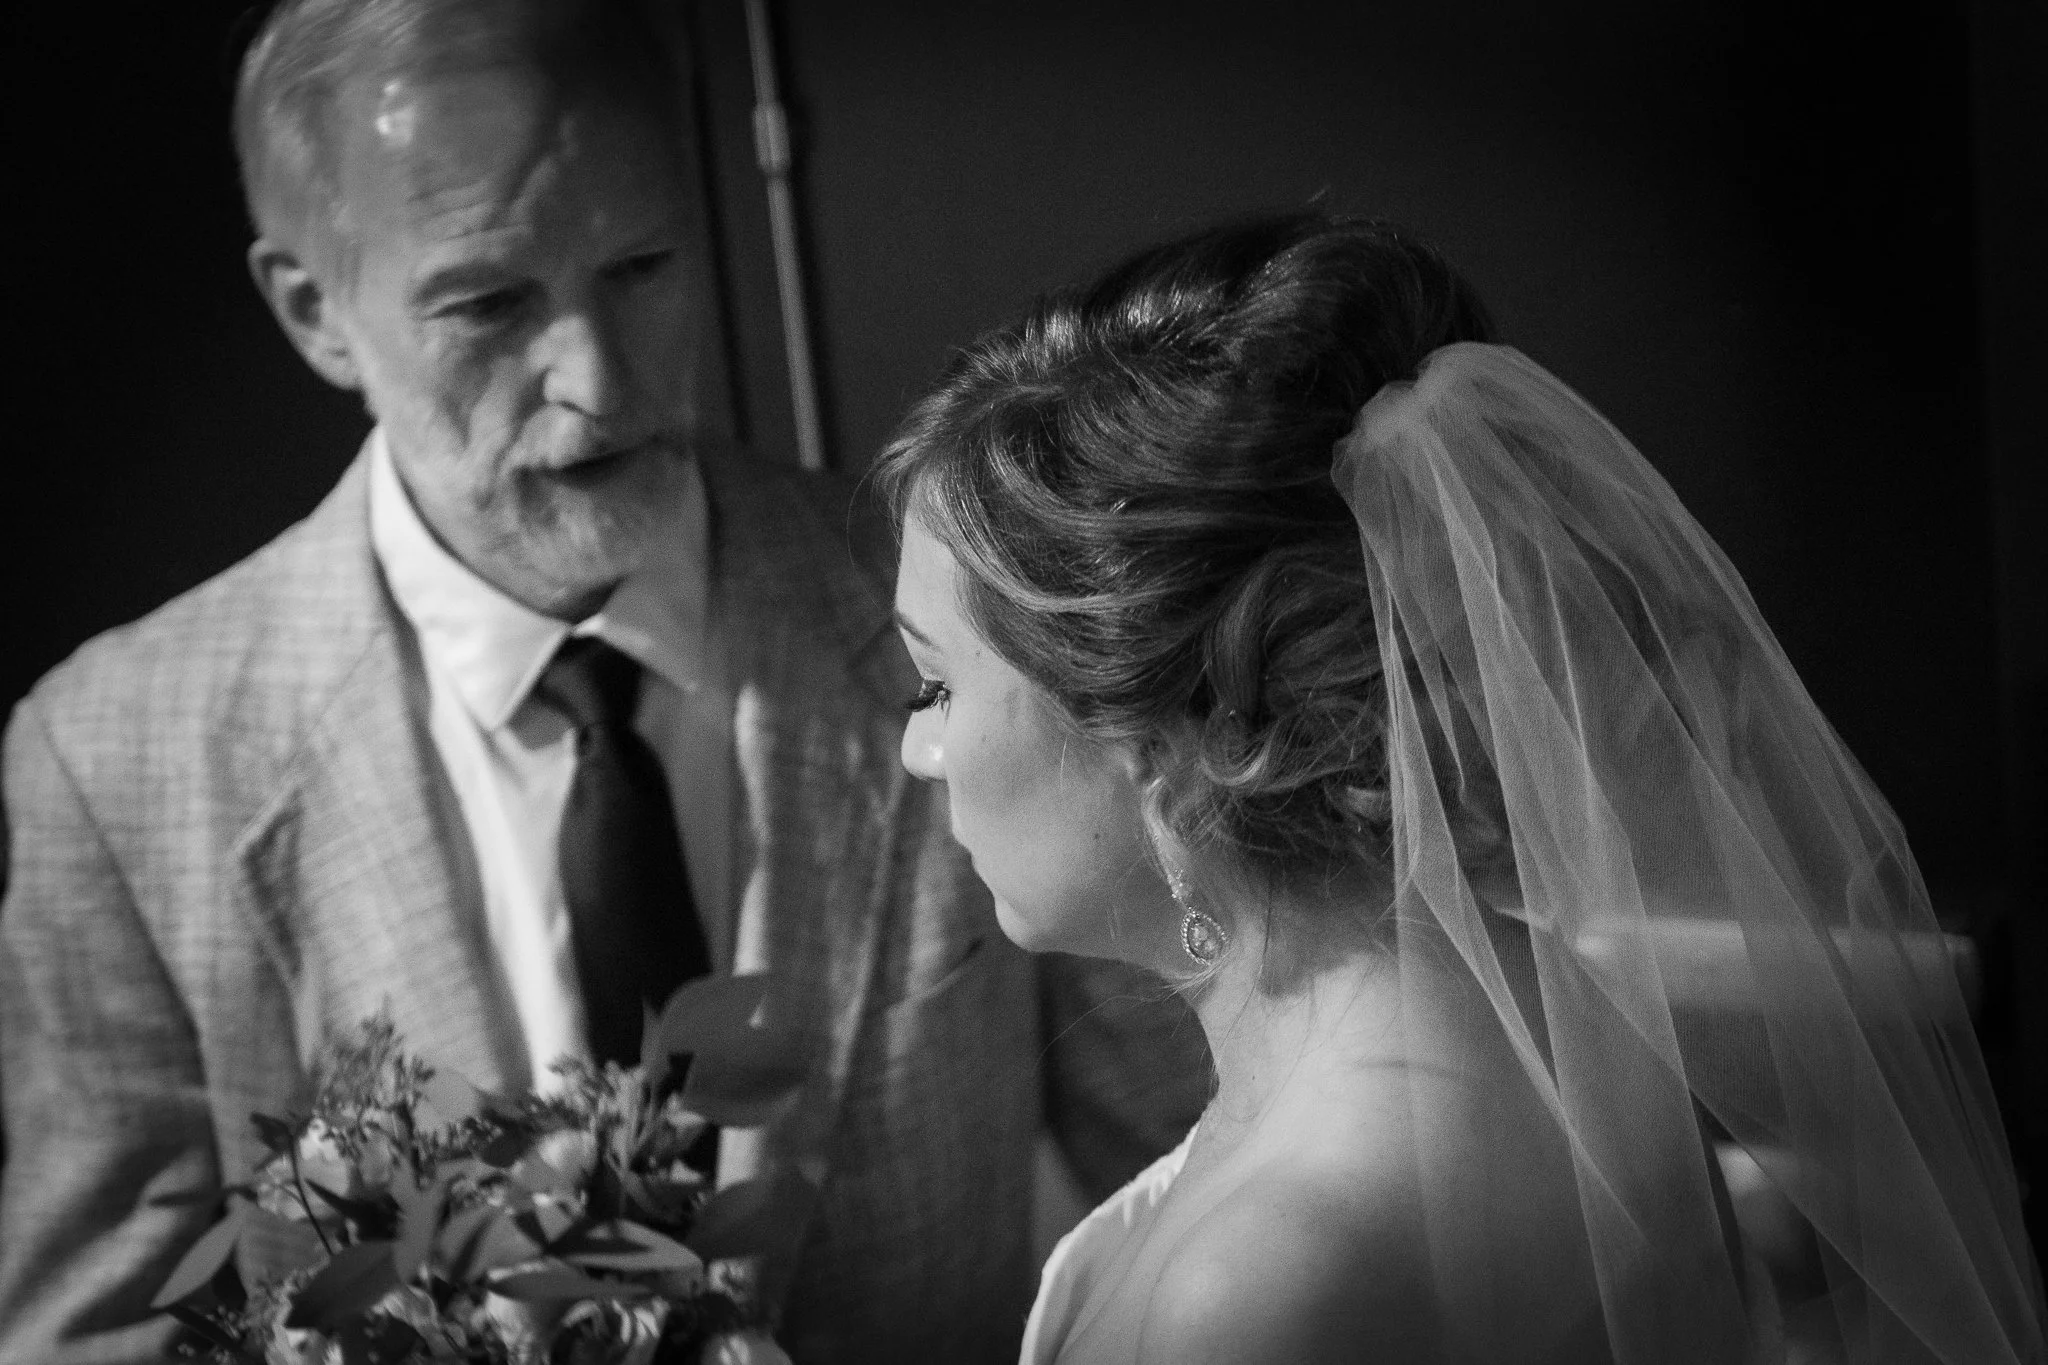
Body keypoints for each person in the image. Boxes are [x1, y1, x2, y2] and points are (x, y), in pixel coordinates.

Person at [0, 3, 1207, 1361]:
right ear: (312, 309)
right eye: (488, 302)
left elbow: (1202, 1163)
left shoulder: (961, 622)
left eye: (640, 266)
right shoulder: (112, 762)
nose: (598, 379)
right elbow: (105, 1336)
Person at [876, 214, 2046, 1363]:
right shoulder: (1578, 1037)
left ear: (1166, 749)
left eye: (936, 686)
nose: (915, 751)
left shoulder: (1257, 1297)